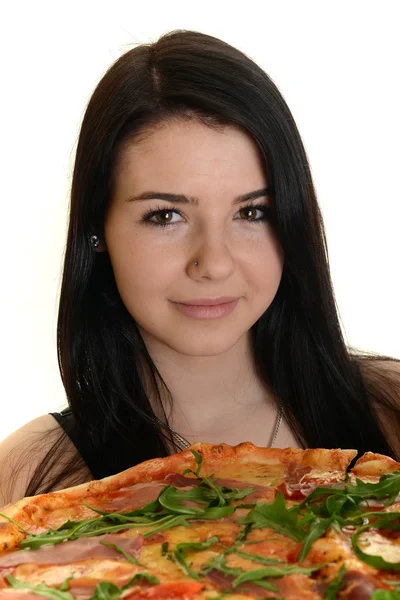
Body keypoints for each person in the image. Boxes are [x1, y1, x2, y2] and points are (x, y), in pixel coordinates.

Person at [0, 29, 399, 508]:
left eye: (251, 212)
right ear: (97, 229)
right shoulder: (30, 477)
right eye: (166, 215)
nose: (213, 263)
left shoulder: (391, 409)